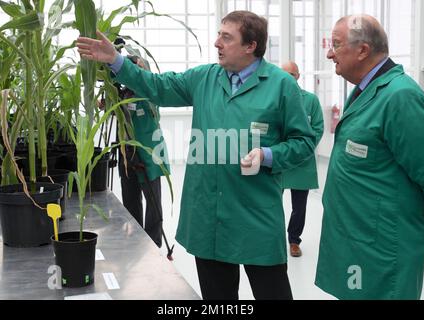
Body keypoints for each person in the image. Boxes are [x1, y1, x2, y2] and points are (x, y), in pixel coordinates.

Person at [77, 10, 316, 300]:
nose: (217, 43)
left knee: (273, 292)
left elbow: (303, 141)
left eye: (226, 37)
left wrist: (267, 154)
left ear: (250, 46)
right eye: (218, 35)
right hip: (208, 216)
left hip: (255, 216)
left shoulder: (281, 86)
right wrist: (116, 61)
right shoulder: (205, 77)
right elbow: (157, 87)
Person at [315, 14, 424, 300]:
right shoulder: (366, 90)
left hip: (384, 248)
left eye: (337, 45)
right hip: (358, 241)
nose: (329, 53)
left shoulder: (400, 97)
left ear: (363, 50)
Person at [102, 38, 170, 248]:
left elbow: (146, 83)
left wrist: (137, 65)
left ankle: (154, 244)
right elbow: (106, 107)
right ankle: (134, 240)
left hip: (150, 152)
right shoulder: (121, 96)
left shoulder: (147, 93)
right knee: (130, 200)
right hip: (127, 152)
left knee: (153, 204)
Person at [281, 61, 324, 258]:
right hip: (279, 161)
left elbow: (317, 129)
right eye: (284, 74)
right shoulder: (275, 99)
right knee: (270, 202)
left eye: (291, 74)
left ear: (298, 76)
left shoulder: (311, 101)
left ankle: (294, 241)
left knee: (299, 207)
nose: (288, 78)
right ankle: (272, 239)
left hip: (302, 162)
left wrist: (299, 150)